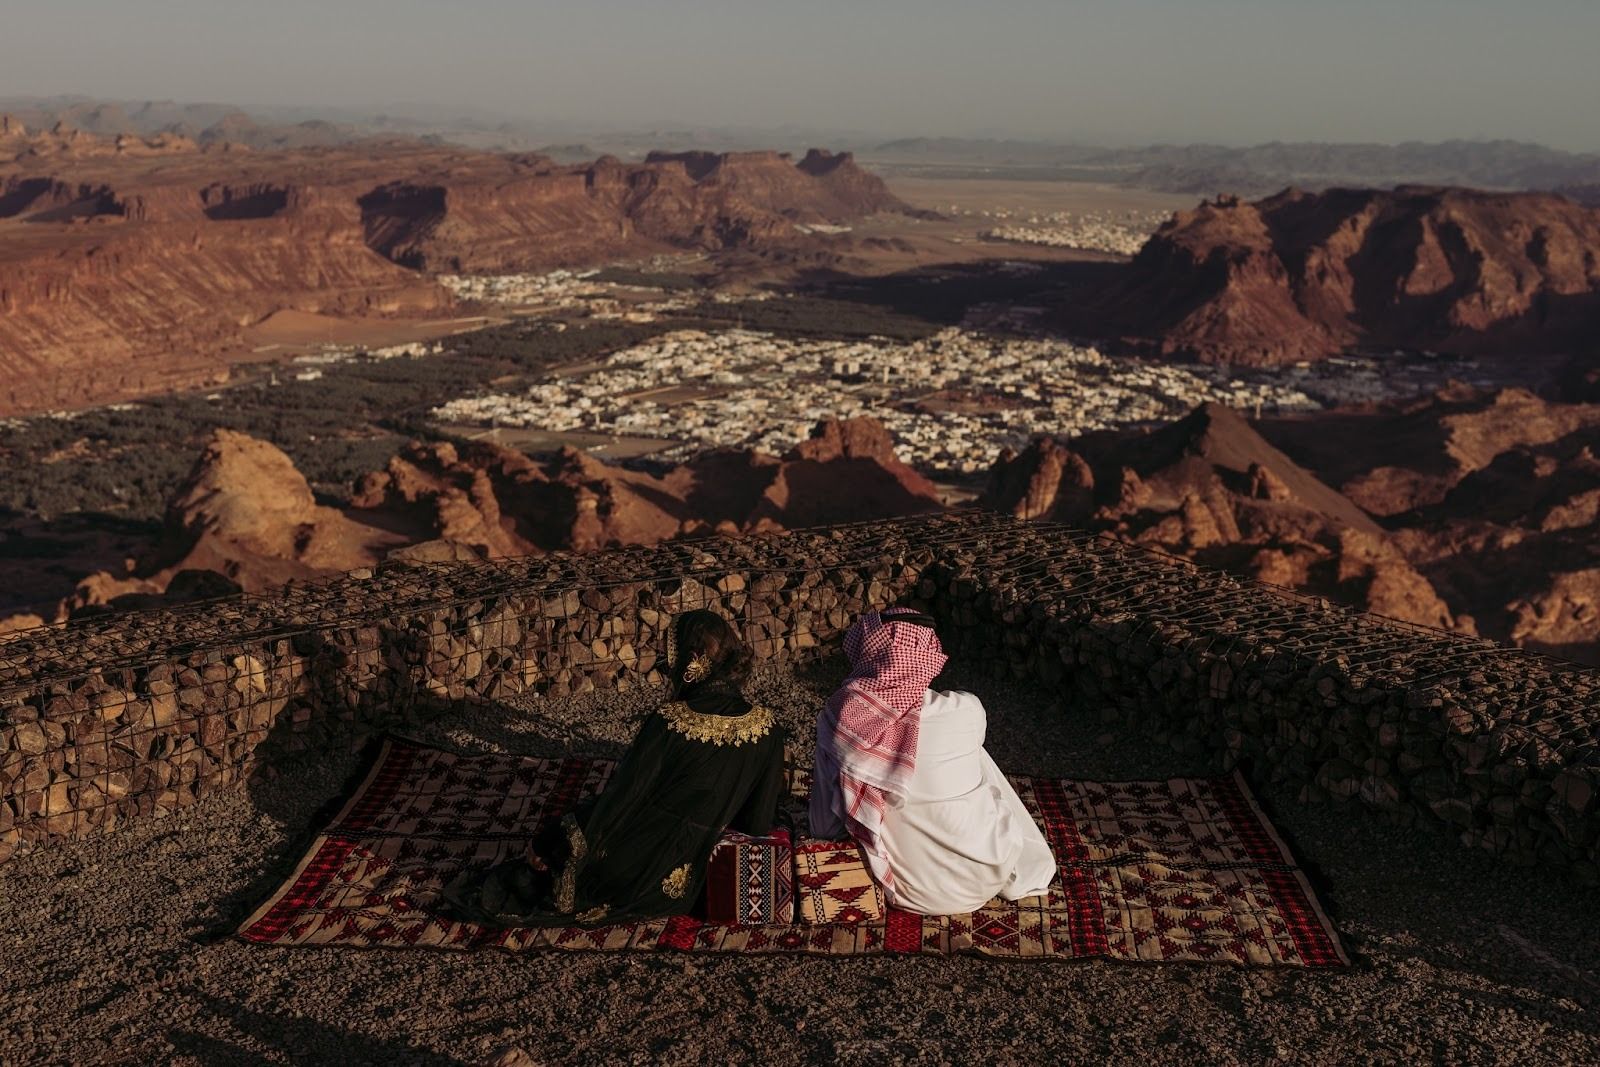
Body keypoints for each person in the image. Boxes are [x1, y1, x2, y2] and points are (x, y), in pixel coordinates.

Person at [444, 609, 786, 927]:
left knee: (547, 860)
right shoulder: (767, 726)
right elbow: (757, 822)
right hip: (688, 886)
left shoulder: (669, 722)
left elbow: (620, 801)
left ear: (688, 663)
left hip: (635, 875)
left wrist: (552, 841)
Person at [810, 607, 1057, 915]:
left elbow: (823, 825)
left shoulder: (841, 719)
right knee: (974, 757)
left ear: (870, 648)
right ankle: (1025, 863)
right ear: (929, 654)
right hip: (989, 874)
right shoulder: (967, 709)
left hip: (910, 891)